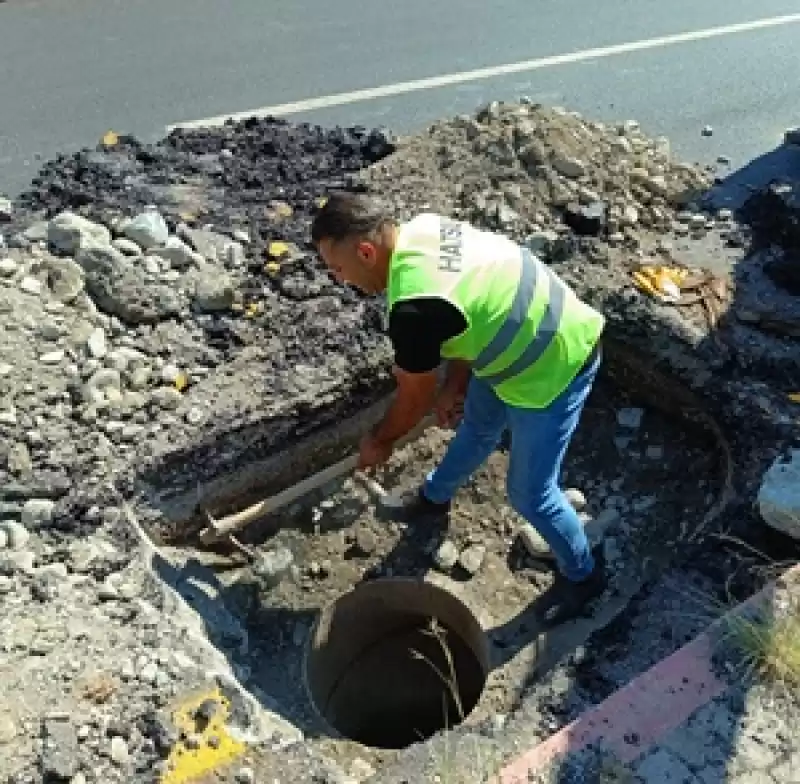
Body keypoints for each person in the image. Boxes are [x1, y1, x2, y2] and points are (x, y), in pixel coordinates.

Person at [310, 192, 607, 625]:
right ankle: (433, 497)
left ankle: (584, 577)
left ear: (367, 251)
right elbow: (474, 302)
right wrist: (456, 384)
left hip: (555, 364)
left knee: (531, 493)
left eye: (338, 269)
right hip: (517, 339)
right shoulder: (426, 228)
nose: (340, 280)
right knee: (477, 428)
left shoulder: (412, 308)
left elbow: (413, 399)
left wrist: (381, 441)